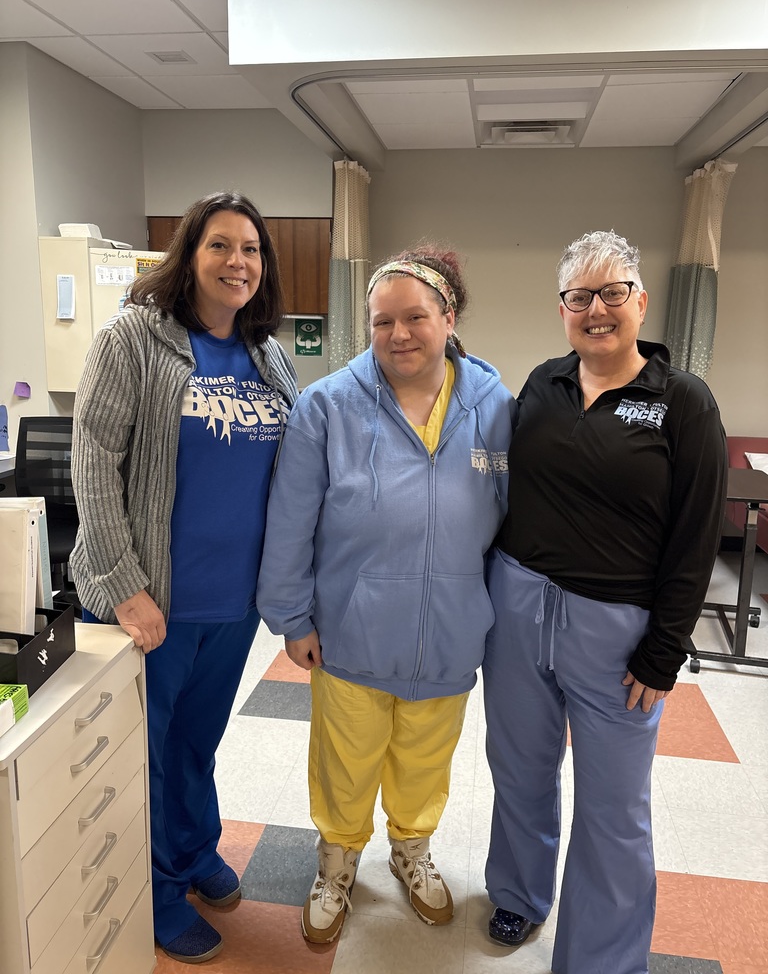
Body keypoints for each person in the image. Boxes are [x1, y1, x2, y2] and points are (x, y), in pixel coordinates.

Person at [482, 230, 727, 974]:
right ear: (562, 310)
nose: (597, 309)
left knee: (614, 810)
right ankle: (520, 894)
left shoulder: (681, 402)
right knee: (519, 769)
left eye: (611, 292)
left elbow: (696, 537)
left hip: (618, 634)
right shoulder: (541, 385)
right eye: (579, 297)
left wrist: (665, 651)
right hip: (519, 610)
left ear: (640, 301)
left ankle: (602, 960)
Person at [256, 247, 516, 944]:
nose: (399, 334)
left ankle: (412, 849)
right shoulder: (328, 406)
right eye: (381, 322)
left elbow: (520, 522)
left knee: (426, 759)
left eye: (415, 317)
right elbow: (290, 520)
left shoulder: (495, 408)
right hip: (351, 628)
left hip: (453, 630)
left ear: (448, 318)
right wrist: (291, 617)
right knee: (346, 758)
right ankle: (337, 862)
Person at [70, 191, 298, 964]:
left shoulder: (268, 354)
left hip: (234, 603)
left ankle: (195, 851)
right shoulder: (134, 339)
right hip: (156, 600)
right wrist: (123, 582)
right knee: (150, 753)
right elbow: (94, 459)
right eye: (221, 246)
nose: (239, 262)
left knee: (197, 742)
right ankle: (158, 891)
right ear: (189, 255)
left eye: (252, 250)